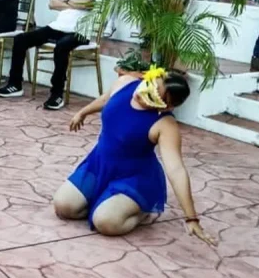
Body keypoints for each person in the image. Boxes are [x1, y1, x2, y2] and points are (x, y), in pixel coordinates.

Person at [52, 69, 217, 246]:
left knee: (106, 223)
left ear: (166, 107)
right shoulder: (125, 83)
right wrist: (83, 112)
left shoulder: (165, 125)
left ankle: (142, 210)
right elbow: (107, 99)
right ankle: (105, 200)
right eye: (148, 84)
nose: (142, 94)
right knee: (64, 206)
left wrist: (191, 218)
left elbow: (176, 169)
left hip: (134, 177)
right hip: (100, 164)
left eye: (153, 96)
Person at [0, 0, 104, 109]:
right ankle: (15, 84)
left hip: (81, 31)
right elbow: (52, 3)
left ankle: (57, 94)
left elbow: (89, 3)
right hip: (58, 26)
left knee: (62, 47)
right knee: (21, 39)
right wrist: (75, 3)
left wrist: (66, 0)